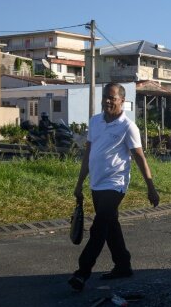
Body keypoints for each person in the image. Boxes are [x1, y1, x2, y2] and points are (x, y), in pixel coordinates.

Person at [68, 83, 159, 291]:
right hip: (96, 183)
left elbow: (139, 158)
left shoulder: (128, 127)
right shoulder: (95, 121)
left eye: (112, 98)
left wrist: (150, 187)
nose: (108, 101)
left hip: (115, 184)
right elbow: (88, 155)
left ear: (121, 101)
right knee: (111, 225)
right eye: (105, 97)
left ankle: (82, 273)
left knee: (99, 227)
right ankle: (123, 264)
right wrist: (79, 183)